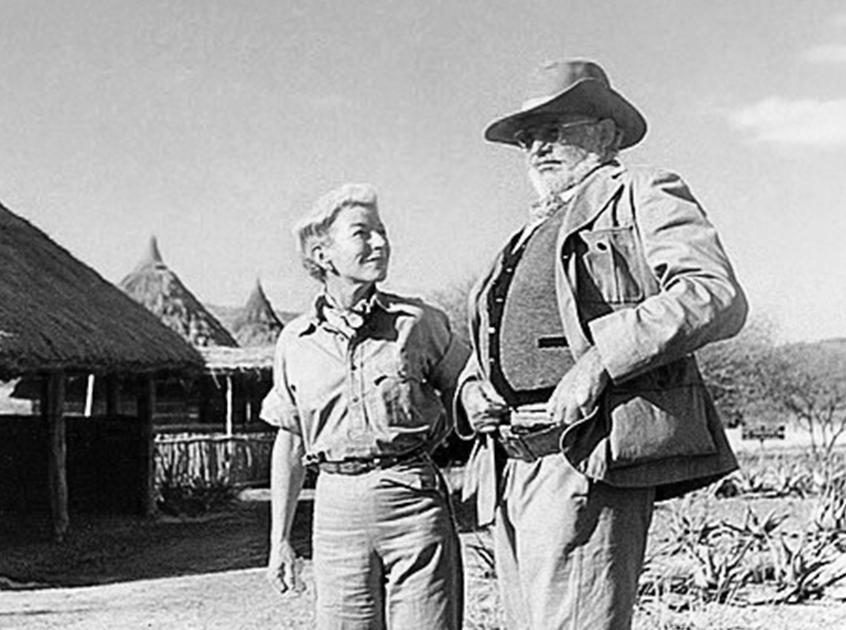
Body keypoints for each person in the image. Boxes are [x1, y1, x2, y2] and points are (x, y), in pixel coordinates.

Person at [456, 59, 747, 630]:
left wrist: (599, 363)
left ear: (608, 133)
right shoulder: (526, 231)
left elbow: (714, 293)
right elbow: (491, 334)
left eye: (557, 129)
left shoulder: (642, 191)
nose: (539, 147)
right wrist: (471, 389)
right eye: (528, 137)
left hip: (586, 452)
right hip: (511, 464)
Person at [263, 183, 469, 630]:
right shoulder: (295, 343)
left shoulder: (418, 323)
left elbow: (472, 390)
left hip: (414, 505)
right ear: (323, 254)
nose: (380, 242)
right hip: (336, 512)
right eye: (362, 233)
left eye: (382, 231)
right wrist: (279, 539)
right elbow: (291, 445)